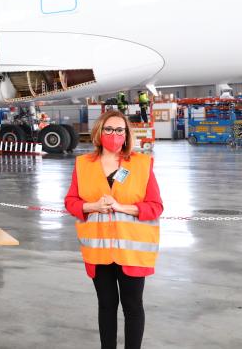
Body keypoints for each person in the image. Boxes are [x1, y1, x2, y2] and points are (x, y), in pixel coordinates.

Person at [65, 110, 163, 349]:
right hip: (99, 251)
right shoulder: (83, 164)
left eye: (120, 130)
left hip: (132, 251)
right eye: (109, 129)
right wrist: (93, 206)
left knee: (132, 306)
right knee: (106, 305)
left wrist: (122, 207)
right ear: (100, 131)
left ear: (127, 134)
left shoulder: (141, 164)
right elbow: (71, 202)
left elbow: (155, 207)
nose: (114, 134)